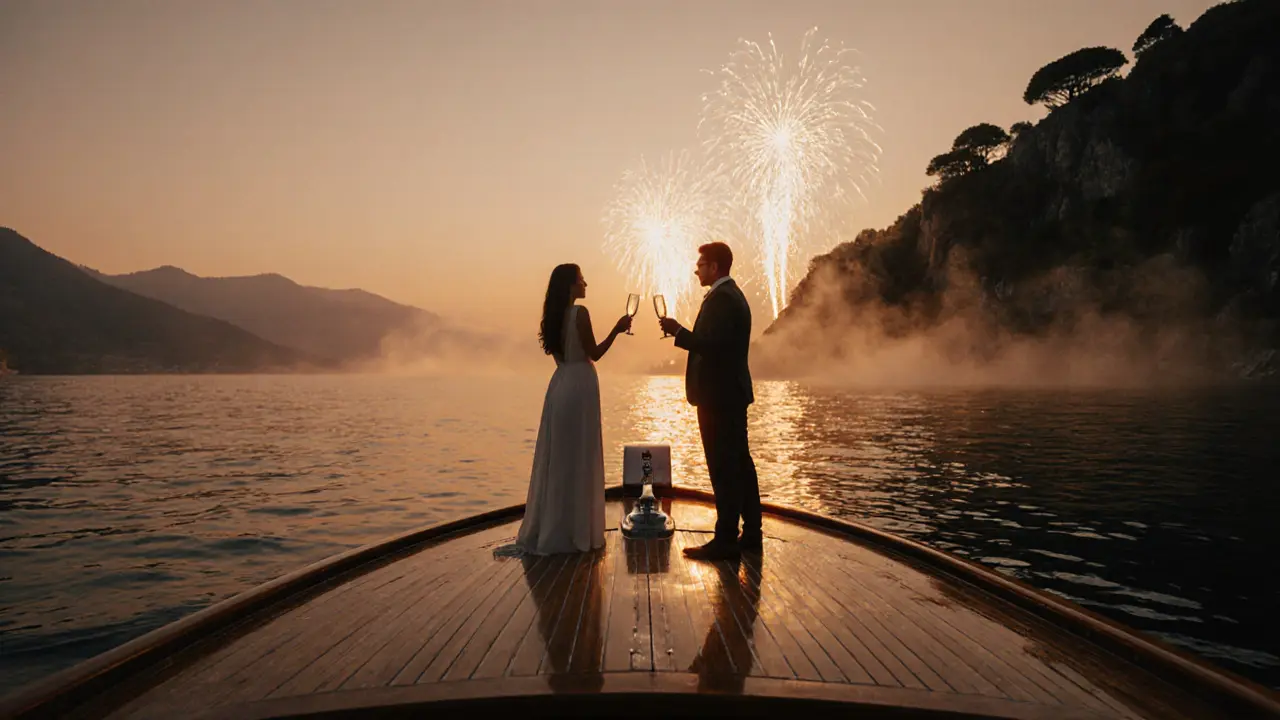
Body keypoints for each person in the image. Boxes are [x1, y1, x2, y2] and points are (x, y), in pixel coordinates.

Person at [515, 263, 631, 555]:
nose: (586, 284)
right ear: (569, 285)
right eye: (581, 280)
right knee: (580, 457)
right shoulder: (580, 314)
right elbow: (595, 353)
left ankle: (555, 528)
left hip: (559, 385)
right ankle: (578, 532)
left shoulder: (552, 318)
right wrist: (617, 329)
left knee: (560, 459)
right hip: (580, 387)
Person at [659, 242, 761, 560]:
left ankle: (726, 539)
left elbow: (712, 346)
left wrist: (678, 332)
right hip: (729, 394)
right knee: (741, 465)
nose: (696, 269)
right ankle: (752, 533)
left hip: (719, 396)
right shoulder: (730, 296)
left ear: (715, 267)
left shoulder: (723, 299)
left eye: (701, 264)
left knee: (724, 467)